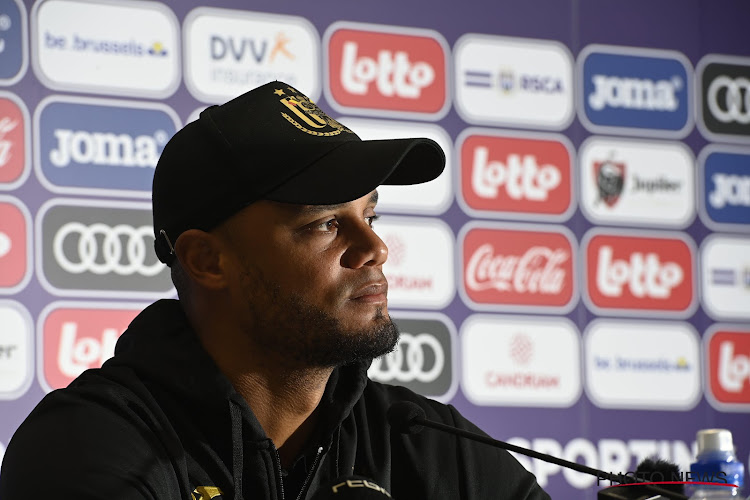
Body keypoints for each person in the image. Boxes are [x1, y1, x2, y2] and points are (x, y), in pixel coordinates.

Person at [0, 81, 549, 499]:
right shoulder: (89, 443)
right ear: (207, 260)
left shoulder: (420, 439)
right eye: (325, 224)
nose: (374, 249)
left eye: (370, 216)